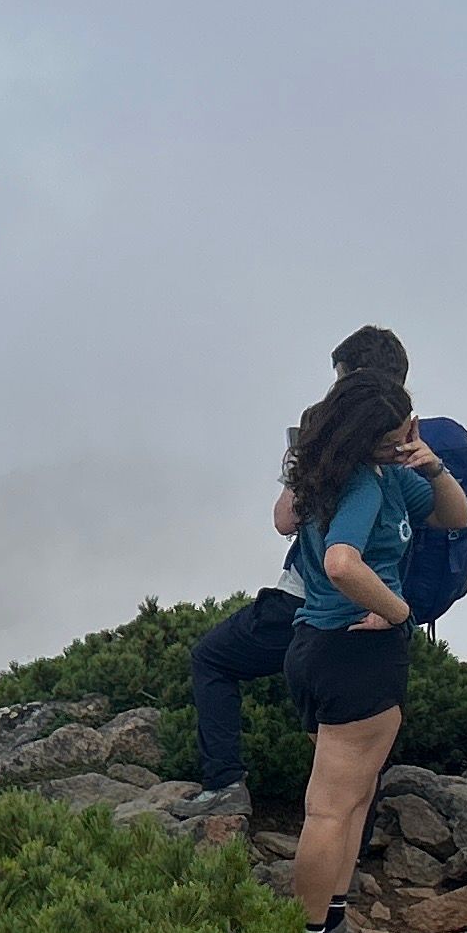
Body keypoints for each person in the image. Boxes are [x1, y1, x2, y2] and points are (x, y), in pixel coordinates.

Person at [277, 366, 467, 933]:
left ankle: (330, 924)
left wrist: (429, 463)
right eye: (391, 434)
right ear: (363, 438)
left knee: (352, 798)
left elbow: (455, 516)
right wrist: (399, 608)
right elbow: (340, 562)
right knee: (333, 806)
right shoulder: (364, 485)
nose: (401, 439)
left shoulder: (359, 475)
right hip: (356, 652)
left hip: (315, 644)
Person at [187, 326, 414, 823]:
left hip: (313, 605)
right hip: (378, 613)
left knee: (212, 659)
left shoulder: (337, 442)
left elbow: (285, 521)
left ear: (351, 378)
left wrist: (304, 460)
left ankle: (226, 785)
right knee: (356, 735)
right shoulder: (407, 443)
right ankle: (357, 840)